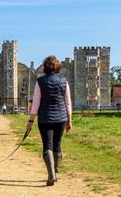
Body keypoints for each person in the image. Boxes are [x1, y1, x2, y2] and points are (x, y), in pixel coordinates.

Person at [26, 55, 72, 186]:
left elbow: (35, 103)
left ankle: (51, 174)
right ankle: (55, 171)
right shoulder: (64, 81)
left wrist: (30, 121)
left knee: (47, 146)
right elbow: (68, 103)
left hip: (45, 118)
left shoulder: (40, 82)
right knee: (57, 144)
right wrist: (70, 121)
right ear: (57, 67)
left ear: (45, 67)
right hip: (61, 118)